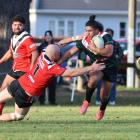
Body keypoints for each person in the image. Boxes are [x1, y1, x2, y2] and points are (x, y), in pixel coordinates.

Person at [0, 44, 105, 122]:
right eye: (59, 53)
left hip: (19, 83)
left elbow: (56, 46)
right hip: (26, 94)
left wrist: (75, 39)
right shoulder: (52, 67)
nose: (61, 54)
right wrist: (91, 67)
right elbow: (72, 73)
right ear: (55, 57)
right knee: (18, 116)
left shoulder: (43, 53)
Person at [58, 15, 117, 121]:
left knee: (104, 94)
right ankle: (86, 101)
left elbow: (109, 52)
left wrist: (95, 49)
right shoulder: (84, 40)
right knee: (92, 80)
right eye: (86, 30)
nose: (87, 33)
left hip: (111, 66)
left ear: (97, 31)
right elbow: (70, 52)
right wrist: (59, 62)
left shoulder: (105, 36)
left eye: (90, 31)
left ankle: (102, 109)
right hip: (98, 64)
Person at [0, 15, 38, 114]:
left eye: (19, 25)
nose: (17, 27)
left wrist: (31, 69)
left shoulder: (26, 38)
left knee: (19, 95)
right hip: (15, 69)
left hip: (25, 71)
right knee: (3, 89)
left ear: (23, 26)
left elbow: (35, 53)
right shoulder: (14, 37)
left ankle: (20, 113)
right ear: (12, 25)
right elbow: (10, 52)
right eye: (15, 24)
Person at [96, 28, 124, 106]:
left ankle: (112, 101)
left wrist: (116, 61)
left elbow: (121, 54)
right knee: (100, 84)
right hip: (102, 66)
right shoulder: (100, 44)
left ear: (112, 35)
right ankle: (99, 100)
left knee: (112, 84)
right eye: (106, 34)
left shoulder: (115, 44)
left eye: (110, 34)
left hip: (112, 67)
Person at [37, 30, 57, 105]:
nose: (48, 37)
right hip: (43, 68)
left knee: (52, 85)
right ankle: (41, 101)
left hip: (52, 68)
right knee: (42, 85)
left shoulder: (55, 46)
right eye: (46, 36)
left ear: (52, 37)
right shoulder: (41, 46)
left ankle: (52, 101)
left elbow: (59, 55)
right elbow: (37, 56)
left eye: (49, 36)